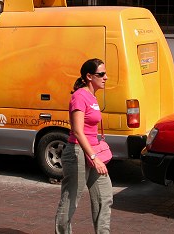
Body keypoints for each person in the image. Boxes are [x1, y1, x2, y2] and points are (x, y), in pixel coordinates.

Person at [55, 58, 113, 234]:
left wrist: (95, 156)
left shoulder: (92, 96)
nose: (106, 77)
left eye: (105, 73)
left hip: (93, 150)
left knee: (105, 197)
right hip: (78, 153)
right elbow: (78, 131)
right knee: (71, 200)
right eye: (101, 74)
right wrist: (94, 159)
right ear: (89, 76)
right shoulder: (79, 96)